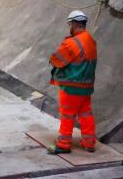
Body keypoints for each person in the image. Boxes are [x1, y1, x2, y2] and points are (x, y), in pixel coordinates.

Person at [48, 10, 98, 154]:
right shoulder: (91, 40)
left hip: (71, 87)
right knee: (86, 114)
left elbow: (56, 60)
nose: (69, 26)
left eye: (70, 24)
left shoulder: (72, 43)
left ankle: (63, 144)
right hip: (86, 87)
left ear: (75, 24)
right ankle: (89, 143)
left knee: (67, 115)